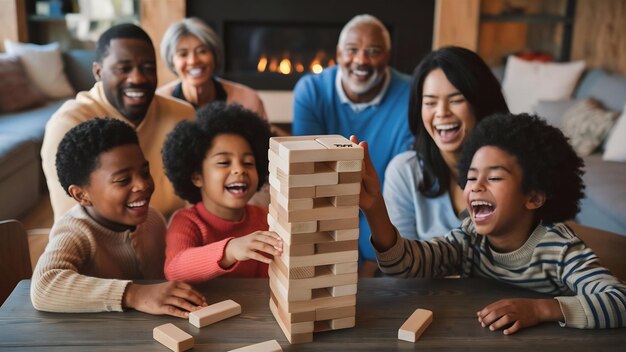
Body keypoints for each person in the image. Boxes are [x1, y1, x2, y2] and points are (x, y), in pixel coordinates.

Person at [353, 113, 626, 334]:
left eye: (494, 178)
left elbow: (619, 301)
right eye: (471, 178)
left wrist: (540, 310)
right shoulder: (469, 238)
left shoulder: (561, 249)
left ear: (533, 197)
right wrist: (375, 207)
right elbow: (406, 264)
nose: (476, 187)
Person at [31, 118, 207, 317]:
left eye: (144, 172)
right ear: (82, 195)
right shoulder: (75, 232)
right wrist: (134, 294)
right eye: (123, 180)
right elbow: (44, 287)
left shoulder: (152, 218)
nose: (142, 185)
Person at [292, 14, 414, 272]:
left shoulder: (411, 95)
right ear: (338, 53)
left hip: (388, 221)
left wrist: (372, 260)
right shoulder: (311, 91)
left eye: (373, 51)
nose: (361, 60)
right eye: (352, 50)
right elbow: (310, 178)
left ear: (388, 56)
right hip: (325, 216)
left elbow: (401, 185)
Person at [42, 23, 196, 222]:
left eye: (148, 68)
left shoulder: (182, 115)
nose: (138, 78)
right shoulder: (68, 125)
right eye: (123, 69)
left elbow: (197, 197)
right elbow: (73, 224)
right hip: (104, 247)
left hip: (179, 237)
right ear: (98, 72)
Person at [384, 46, 509, 242]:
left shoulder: (516, 167)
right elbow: (400, 263)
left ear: (481, 102)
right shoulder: (405, 172)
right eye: (430, 103)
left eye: (456, 100)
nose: (442, 112)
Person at [162, 102, 282, 283]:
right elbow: (174, 269)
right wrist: (230, 250)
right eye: (224, 162)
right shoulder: (187, 222)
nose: (239, 170)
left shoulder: (266, 218)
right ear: (196, 177)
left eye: (248, 163)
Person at [157, 17, 266, 117]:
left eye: (202, 51)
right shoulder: (158, 103)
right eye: (183, 54)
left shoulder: (247, 100)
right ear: (172, 62)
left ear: (214, 55)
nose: (193, 61)